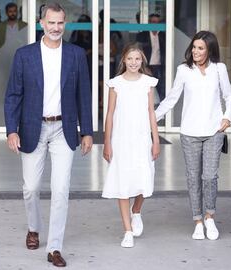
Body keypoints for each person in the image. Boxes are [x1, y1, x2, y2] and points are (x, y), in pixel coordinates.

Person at [4, 2, 93, 267]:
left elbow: (83, 96)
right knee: (30, 188)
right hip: (33, 128)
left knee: (61, 189)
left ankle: (54, 247)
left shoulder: (76, 54)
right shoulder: (25, 55)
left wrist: (86, 132)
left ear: (65, 24)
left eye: (60, 23)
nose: (56, 28)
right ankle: (34, 227)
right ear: (42, 23)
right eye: (51, 22)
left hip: (63, 130)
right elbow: (13, 95)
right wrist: (11, 130)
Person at [155, 31, 231, 240]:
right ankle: (198, 221)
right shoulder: (184, 70)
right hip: (189, 133)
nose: (196, 51)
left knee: (209, 176)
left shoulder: (219, 69)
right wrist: (152, 118)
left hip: (213, 131)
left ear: (210, 50)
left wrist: (227, 117)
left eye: (201, 48)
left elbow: (229, 95)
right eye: (194, 47)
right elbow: (172, 98)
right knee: (193, 178)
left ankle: (210, 216)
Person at [102, 43, 160, 248]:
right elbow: (109, 114)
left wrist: (156, 140)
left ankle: (137, 210)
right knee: (123, 182)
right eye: (130, 59)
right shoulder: (115, 83)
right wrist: (107, 143)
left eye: (137, 59)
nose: (134, 62)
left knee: (145, 179)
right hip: (121, 139)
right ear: (123, 60)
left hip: (142, 138)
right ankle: (127, 230)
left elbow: (151, 112)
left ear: (142, 60)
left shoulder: (148, 83)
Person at [137, 13, 166, 101]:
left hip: (159, 66)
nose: (155, 24)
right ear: (149, 23)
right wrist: (143, 66)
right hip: (146, 66)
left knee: (161, 89)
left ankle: (161, 111)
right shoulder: (142, 35)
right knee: (145, 89)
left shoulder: (163, 36)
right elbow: (138, 52)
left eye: (157, 22)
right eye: (153, 22)